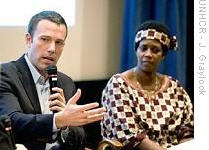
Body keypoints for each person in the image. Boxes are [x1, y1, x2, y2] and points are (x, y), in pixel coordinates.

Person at [0, 11, 106, 150]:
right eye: (44, 39)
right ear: (28, 40)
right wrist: (58, 120)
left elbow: (80, 139)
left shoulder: (66, 82)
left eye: (59, 42)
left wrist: (66, 126)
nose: (52, 49)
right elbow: (11, 122)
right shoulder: (6, 74)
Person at [100, 20, 193, 150]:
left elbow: (188, 130)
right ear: (136, 50)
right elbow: (132, 137)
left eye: (155, 50)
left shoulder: (174, 87)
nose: (148, 54)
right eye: (144, 48)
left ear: (163, 55)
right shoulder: (118, 85)